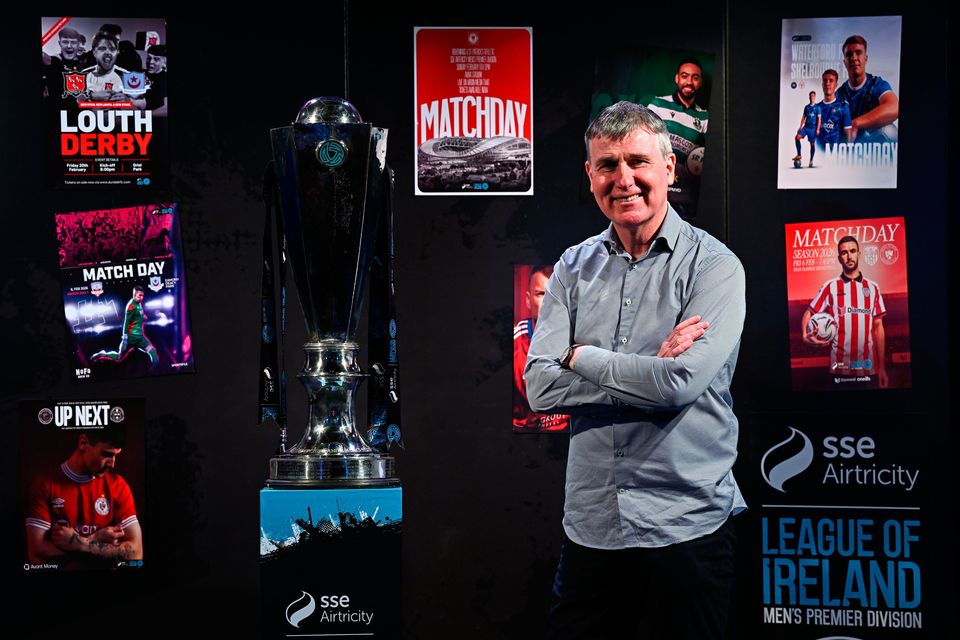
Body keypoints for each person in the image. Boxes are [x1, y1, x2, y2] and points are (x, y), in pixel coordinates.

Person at [525, 101, 745, 639]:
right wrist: (649, 370)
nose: (624, 179)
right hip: (593, 527)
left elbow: (679, 385)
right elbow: (538, 386)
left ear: (669, 168)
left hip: (686, 525)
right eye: (607, 165)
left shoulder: (715, 267)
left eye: (638, 162)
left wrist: (580, 356)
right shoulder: (573, 267)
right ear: (590, 176)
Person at [25, 424, 143, 569]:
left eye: (116, 455)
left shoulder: (118, 485)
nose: (112, 464)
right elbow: (37, 554)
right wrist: (95, 540)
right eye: (107, 454)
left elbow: (136, 554)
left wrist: (81, 543)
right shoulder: (44, 484)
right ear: (83, 443)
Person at [801, 235, 888, 387]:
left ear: (859, 254)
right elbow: (808, 313)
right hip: (838, 370)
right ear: (839, 258)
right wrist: (804, 335)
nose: (849, 256)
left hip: (868, 370)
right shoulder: (830, 286)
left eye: (853, 251)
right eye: (844, 253)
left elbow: (878, 327)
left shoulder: (873, 287)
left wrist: (882, 369)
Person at [646, 58, 708, 218]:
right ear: (677, 78)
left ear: (700, 82)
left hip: (684, 198)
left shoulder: (704, 117)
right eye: (685, 76)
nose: (689, 81)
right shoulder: (658, 104)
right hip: (655, 190)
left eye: (695, 77)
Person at [513, 265, 570, 431]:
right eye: (541, 294)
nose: (548, 303)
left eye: (555, 295)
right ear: (528, 300)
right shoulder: (514, 346)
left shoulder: (583, 337)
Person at [836, 35, 899, 143]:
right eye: (849, 54)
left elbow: (894, 107)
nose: (854, 58)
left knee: (890, 131)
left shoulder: (876, 84)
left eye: (858, 52)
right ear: (845, 62)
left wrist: (856, 123)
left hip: (872, 148)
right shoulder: (839, 94)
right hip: (851, 149)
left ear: (866, 58)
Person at [92, 285, 159, 366]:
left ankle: (156, 372)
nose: (141, 297)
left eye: (142, 295)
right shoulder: (131, 306)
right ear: (134, 295)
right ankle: (103, 354)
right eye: (139, 295)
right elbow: (126, 322)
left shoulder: (139, 304)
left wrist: (144, 317)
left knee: (152, 352)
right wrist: (125, 338)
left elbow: (139, 315)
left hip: (140, 338)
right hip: (130, 338)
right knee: (119, 357)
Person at [817, 69, 852, 152]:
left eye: (831, 81)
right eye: (825, 80)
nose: (827, 83)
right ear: (822, 84)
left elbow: (849, 136)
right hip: (820, 157)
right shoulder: (817, 108)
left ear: (836, 84)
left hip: (837, 157)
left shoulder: (843, 106)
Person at [792, 91, 821, 167]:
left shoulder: (817, 107)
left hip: (813, 129)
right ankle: (799, 155)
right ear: (809, 97)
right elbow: (803, 117)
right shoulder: (807, 107)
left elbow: (819, 119)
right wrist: (800, 126)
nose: (812, 97)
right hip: (806, 127)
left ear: (815, 97)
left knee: (812, 144)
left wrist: (818, 129)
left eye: (813, 96)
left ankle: (811, 159)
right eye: (811, 96)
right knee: (797, 137)